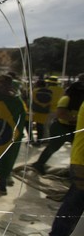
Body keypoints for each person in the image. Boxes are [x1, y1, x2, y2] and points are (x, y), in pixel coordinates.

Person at [32, 79, 84, 175]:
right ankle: (39, 164)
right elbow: (60, 114)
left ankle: (74, 170)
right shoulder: (66, 99)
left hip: (73, 128)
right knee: (53, 147)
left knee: (78, 150)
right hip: (60, 127)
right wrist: (77, 118)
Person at [49, 101, 84, 236]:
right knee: (75, 204)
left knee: (75, 203)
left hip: (79, 160)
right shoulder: (66, 99)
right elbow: (60, 113)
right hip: (82, 162)